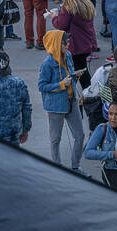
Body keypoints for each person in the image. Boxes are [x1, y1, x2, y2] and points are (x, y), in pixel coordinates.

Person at [37, 30, 89, 176]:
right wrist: (60, 84)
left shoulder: (68, 56)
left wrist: (75, 75)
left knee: (80, 136)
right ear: (56, 44)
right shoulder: (47, 64)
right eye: (65, 42)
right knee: (55, 139)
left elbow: (69, 76)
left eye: (68, 41)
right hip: (55, 106)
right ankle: (57, 167)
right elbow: (41, 86)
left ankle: (75, 166)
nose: (68, 44)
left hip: (71, 102)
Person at [52, 0, 97, 89]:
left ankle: (82, 97)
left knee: (76, 73)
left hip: (74, 45)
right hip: (86, 43)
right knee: (81, 71)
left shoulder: (68, 8)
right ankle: (87, 96)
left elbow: (61, 25)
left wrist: (54, 17)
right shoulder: (87, 5)